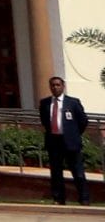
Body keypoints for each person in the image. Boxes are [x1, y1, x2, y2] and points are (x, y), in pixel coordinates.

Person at [39, 75, 91, 206]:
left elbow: (83, 121)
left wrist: (74, 134)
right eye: (53, 85)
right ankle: (59, 198)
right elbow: (45, 121)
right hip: (54, 141)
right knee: (56, 172)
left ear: (63, 86)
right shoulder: (45, 103)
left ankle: (84, 198)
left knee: (78, 172)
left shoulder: (73, 102)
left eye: (58, 85)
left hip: (71, 142)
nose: (55, 87)